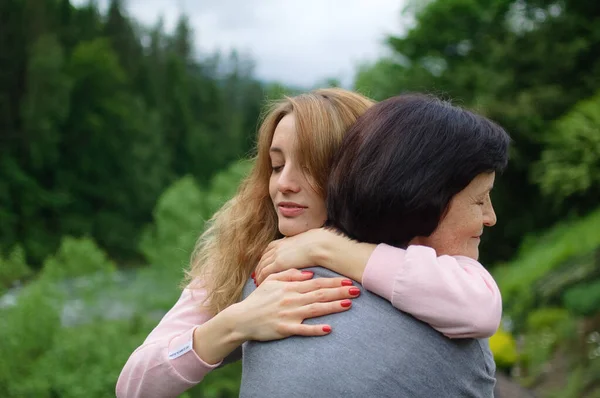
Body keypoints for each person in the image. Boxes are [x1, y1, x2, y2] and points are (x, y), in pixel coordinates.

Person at [116, 89, 503, 398]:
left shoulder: (405, 249)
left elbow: (479, 305)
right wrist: (234, 324)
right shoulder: (250, 256)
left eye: (311, 166)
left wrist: (326, 247)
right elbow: (134, 386)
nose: (284, 183)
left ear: (358, 173)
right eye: (277, 164)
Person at [241, 93, 511, 397]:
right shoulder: (458, 333)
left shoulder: (275, 273)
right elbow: (480, 308)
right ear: (426, 200)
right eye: (479, 199)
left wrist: (325, 247)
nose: (490, 217)